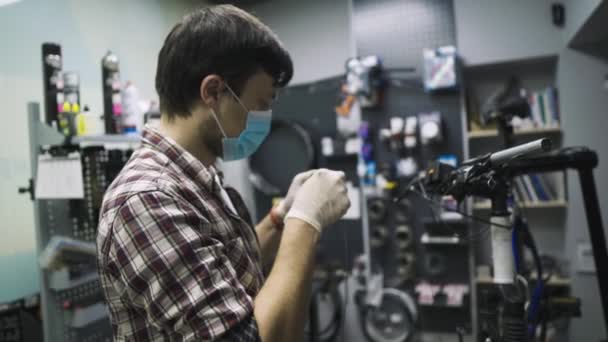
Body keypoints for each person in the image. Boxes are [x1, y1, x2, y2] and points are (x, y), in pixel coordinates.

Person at [96, 4, 351, 342]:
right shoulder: (147, 200)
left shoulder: (196, 177)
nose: (264, 118)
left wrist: (280, 217)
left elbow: (222, 270)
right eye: (260, 104)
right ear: (213, 92)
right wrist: (306, 222)